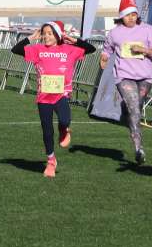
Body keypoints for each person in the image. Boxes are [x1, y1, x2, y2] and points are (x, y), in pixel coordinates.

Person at [11, 21, 95, 178]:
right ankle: (51, 161)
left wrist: (74, 40)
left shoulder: (69, 50)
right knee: (47, 131)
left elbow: (91, 49)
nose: (46, 36)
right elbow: (15, 50)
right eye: (44, 33)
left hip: (61, 94)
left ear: (58, 35)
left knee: (65, 119)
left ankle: (63, 129)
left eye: (50, 33)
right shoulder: (38, 49)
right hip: (43, 97)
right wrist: (31, 38)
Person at [100, 0, 152, 165]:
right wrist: (104, 57)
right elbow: (107, 48)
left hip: (145, 76)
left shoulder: (148, 30)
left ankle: (129, 119)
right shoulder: (115, 33)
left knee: (137, 108)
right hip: (124, 76)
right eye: (128, 15)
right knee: (134, 108)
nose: (131, 18)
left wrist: (145, 50)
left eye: (134, 14)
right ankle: (138, 148)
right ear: (121, 16)